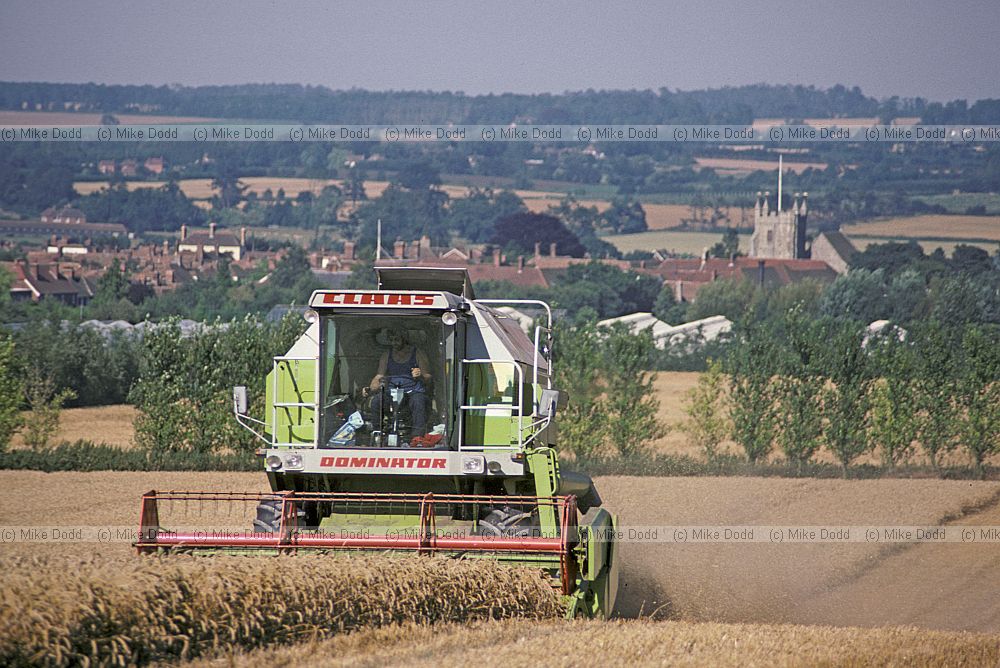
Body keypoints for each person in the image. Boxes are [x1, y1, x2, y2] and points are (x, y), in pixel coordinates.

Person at [367, 328, 431, 438]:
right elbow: (380, 375)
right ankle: (377, 433)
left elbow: (428, 377)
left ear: (404, 339)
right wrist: (371, 388)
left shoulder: (417, 353)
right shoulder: (387, 355)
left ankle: (417, 437)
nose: (394, 343)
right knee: (377, 401)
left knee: (419, 401)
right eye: (391, 340)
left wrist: (419, 375)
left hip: (412, 391)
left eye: (396, 339)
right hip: (392, 391)